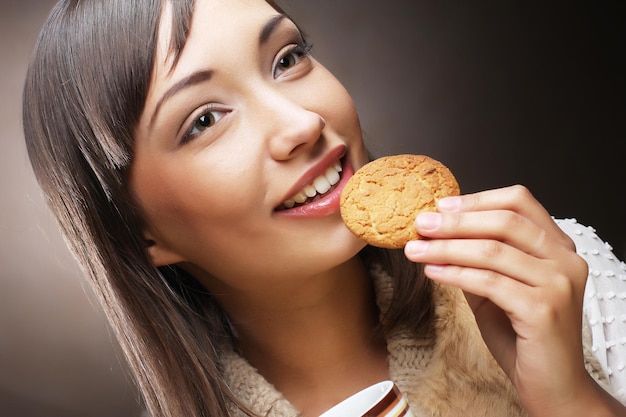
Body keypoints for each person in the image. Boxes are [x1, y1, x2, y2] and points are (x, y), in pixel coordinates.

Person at [22, 0, 626, 416]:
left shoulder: (558, 286)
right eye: (204, 120)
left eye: (286, 59)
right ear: (140, 234)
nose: (302, 123)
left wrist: (569, 400)